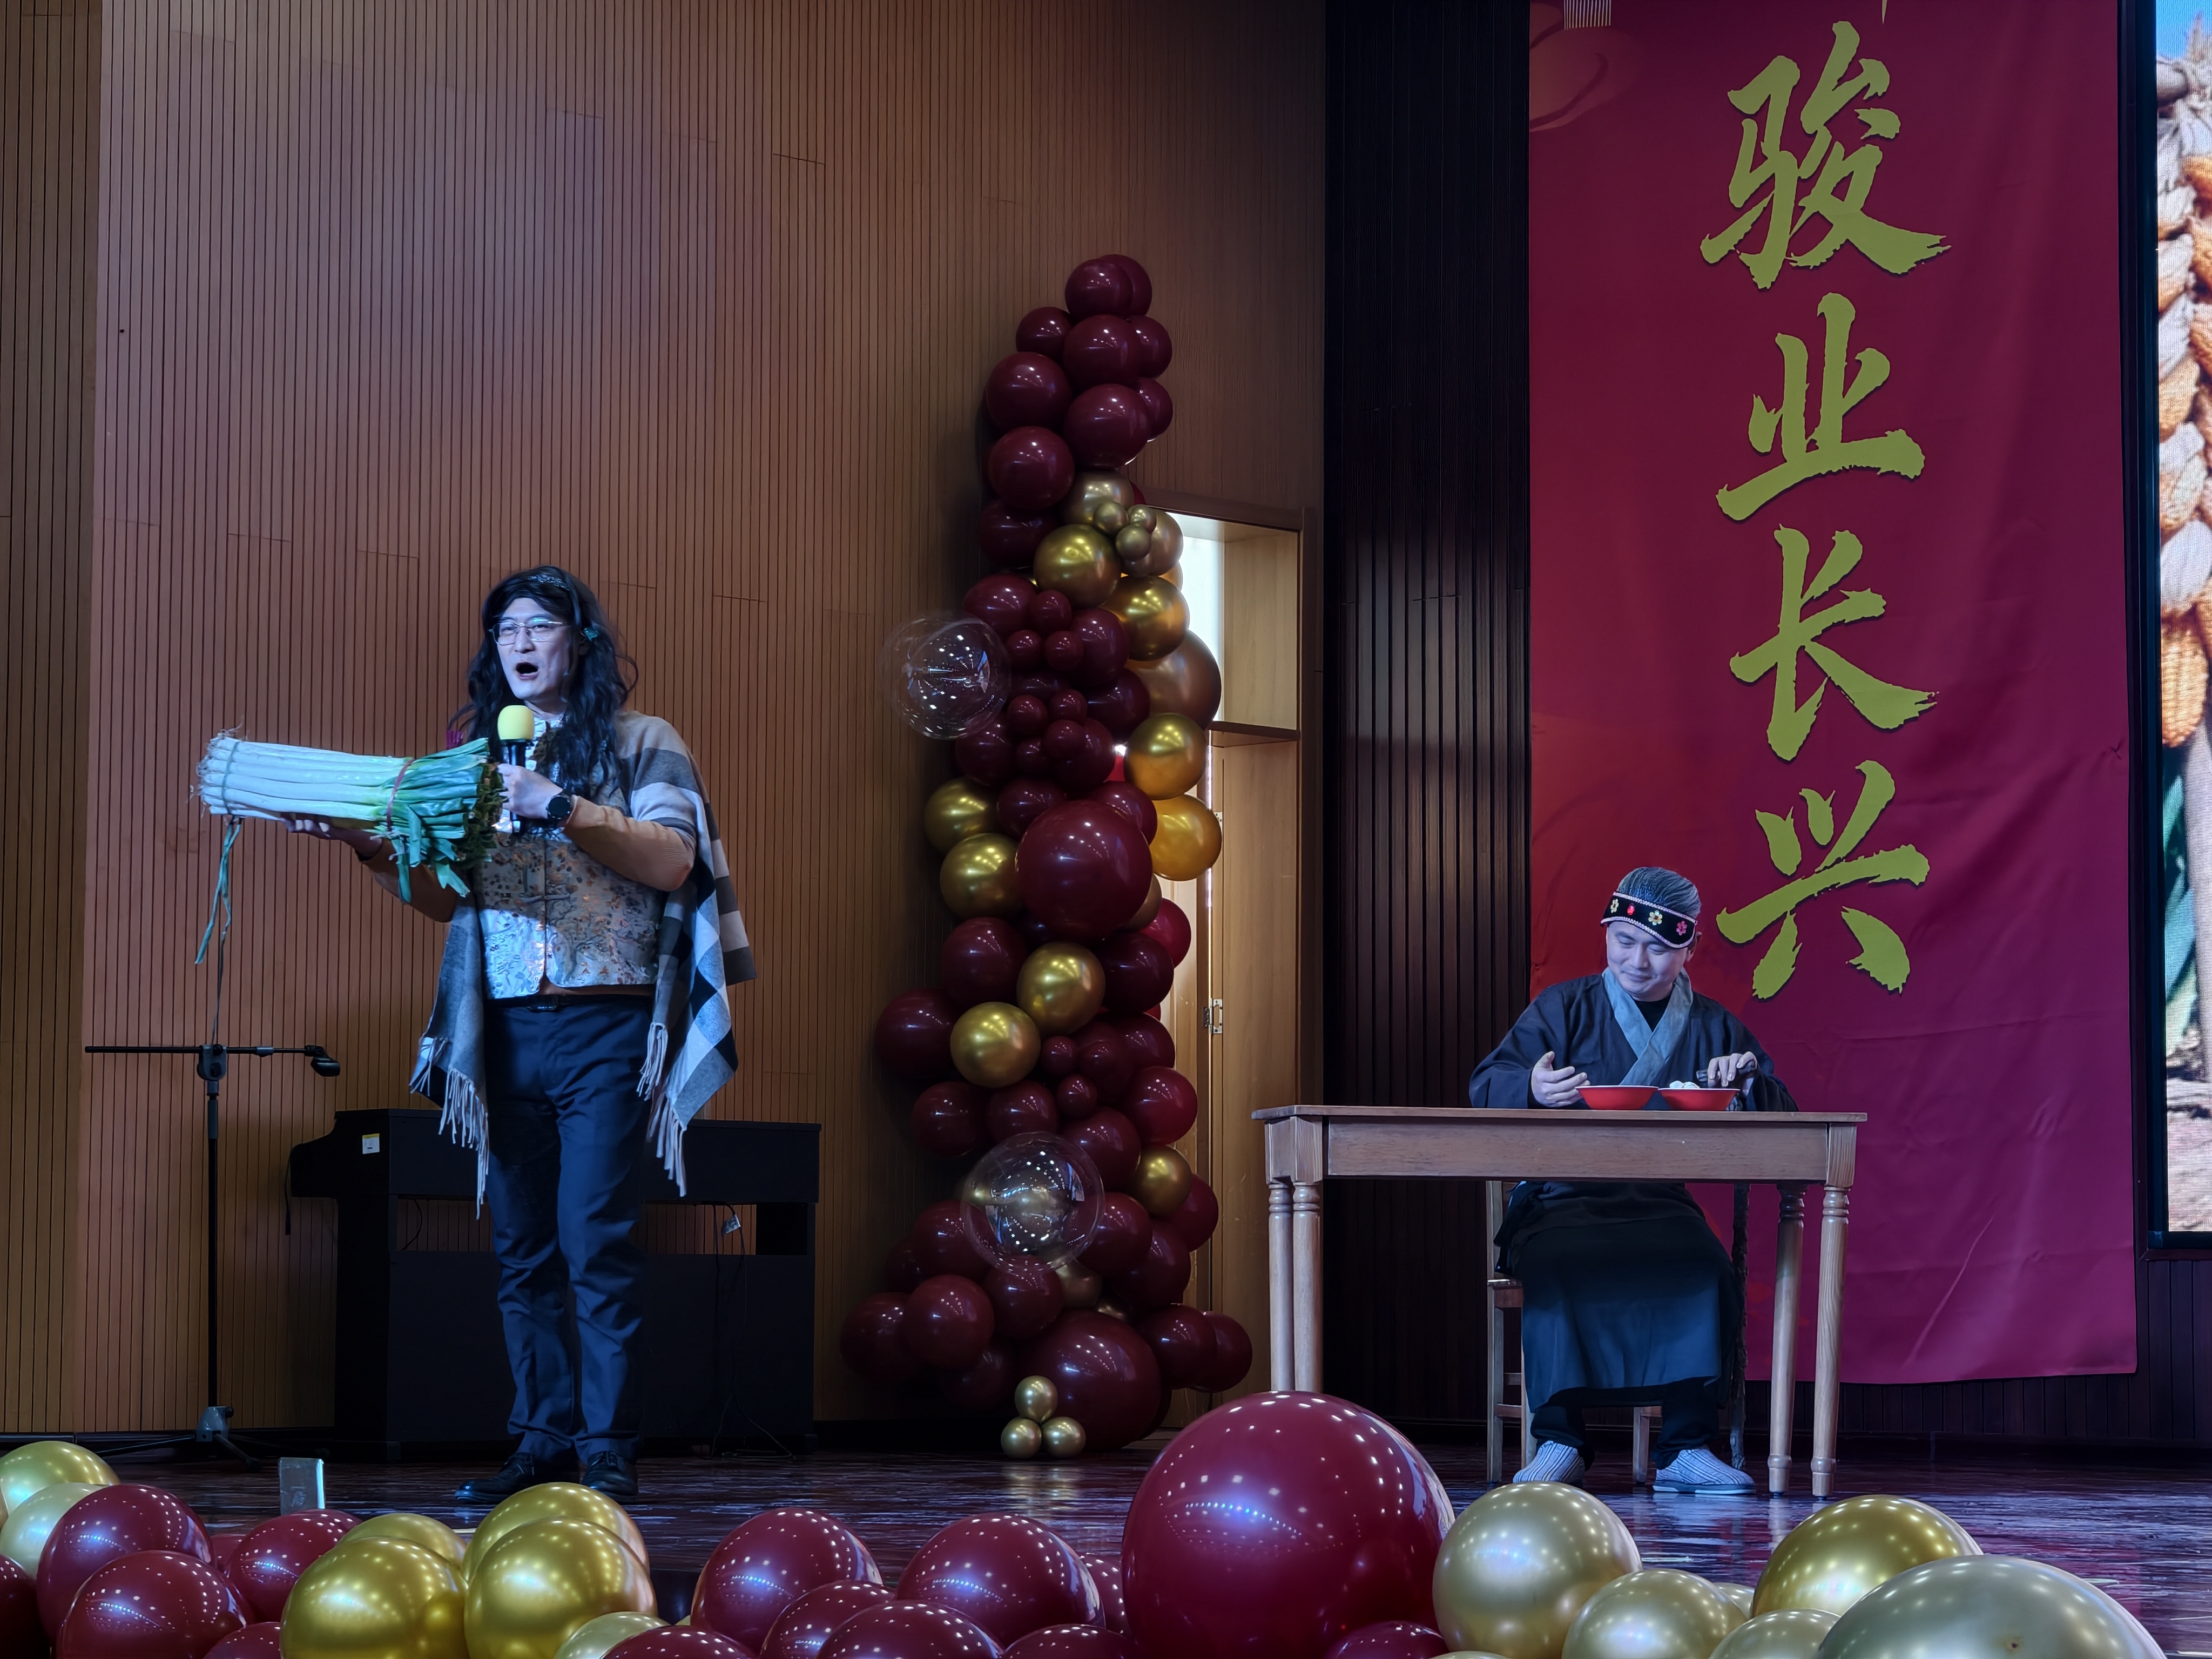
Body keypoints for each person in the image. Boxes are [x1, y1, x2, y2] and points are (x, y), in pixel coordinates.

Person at [291, 565, 754, 1500]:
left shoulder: (642, 739)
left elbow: (674, 860)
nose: (520, 644)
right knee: (522, 1249)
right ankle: (541, 1439)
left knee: (596, 1238)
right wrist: (368, 845)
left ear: (580, 640)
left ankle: (607, 1445)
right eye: (505, 630)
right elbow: (445, 898)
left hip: (607, 1019)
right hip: (502, 1026)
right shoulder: (471, 763)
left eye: (540, 626)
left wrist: (561, 804)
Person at [1467, 866, 1793, 1493]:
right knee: (1559, 1262)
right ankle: (1560, 1439)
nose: (1637, 961)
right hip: (1561, 1200)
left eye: (1659, 948)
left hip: (1659, 1202)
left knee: (1703, 1266)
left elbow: (1783, 1108)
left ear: (1690, 950)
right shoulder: (1562, 1007)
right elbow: (1487, 1082)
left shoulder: (1713, 1026)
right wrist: (1531, 1087)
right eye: (1624, 940)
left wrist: (1746, 1084)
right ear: (1606, 934)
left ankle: (1684, 1446)